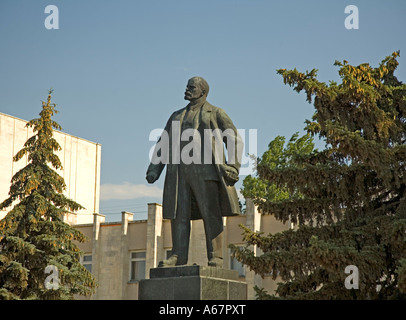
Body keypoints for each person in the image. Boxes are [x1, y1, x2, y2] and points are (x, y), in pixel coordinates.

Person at [146, 76, 242, 267]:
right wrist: (154, 169)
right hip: (179, 172)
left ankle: (216, 256)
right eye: (187, 87)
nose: (187, 90)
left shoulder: (215, 113)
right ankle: (178, 256)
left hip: (207, 172)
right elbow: (164, 143)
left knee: (210, 214)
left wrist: (233, 165)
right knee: (179, 215)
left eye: (191, 87)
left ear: (202, 91)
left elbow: (233, 138)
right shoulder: (176, 116)